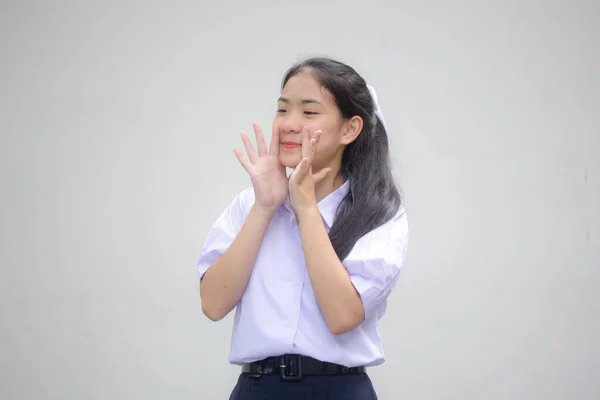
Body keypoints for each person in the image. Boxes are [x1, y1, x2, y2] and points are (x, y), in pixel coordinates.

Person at [196, 57, 409, 400]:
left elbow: (342, 316)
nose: (289, 124)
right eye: (282, 110)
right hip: (256, 389)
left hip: (338, 389)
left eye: (309, 113)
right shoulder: (248, 205)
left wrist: (306, 209)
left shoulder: (378, 214)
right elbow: (213, 304)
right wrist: (265, 207)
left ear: (349, 129)